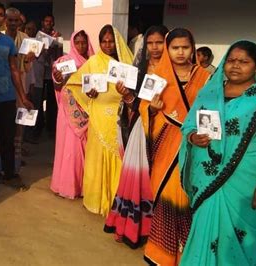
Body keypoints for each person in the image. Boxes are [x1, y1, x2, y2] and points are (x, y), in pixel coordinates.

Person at [179, 40, 256, 265]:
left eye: (244, 62)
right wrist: (192, 137)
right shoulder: (210, 92)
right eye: (231, 60)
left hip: (244, 185)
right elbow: (189, 124)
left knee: (240, 239)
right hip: (205, 182)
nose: (235, 66)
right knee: (203, 232)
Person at [142, 28, 210, 265]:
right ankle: (162, 252)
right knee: (167, 198)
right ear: (167, 50)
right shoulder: (155, 77)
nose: (181, 53)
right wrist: (151, 109)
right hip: (165, 149)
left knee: (189, 200)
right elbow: (143, 111)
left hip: (195, 151)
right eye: (175, 48)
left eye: (186, 47)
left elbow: (212, 114)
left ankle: (187, 254)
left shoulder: (205, 77)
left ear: (193, 48)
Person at [104, 25, 169, 249]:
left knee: (161, 180)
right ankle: (136, 228)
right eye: (150, 43)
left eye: (159, 42)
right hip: (141, 131)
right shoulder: (139, 70)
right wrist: (127, 95)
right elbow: (135, 106)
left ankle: (160, 230)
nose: (155, 47)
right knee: (139, 179)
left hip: (168, 132)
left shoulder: (176, 71)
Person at [65, 25, 133, 215]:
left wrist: (126, 95)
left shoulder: (126, 62)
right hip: (98, 115)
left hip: (119, 118)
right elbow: (74, 85)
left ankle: (115, 201)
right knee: (97, 158)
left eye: (111, 41)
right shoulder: (94, 61)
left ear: (118, 41)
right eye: (104, 41)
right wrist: (89, 94)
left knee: (119, 157)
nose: (108, 44)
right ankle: (96, 200)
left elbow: (134, 91)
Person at [0, 2, 33, 189]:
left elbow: (14, 70)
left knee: (8, 138)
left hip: (7, 97)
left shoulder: (8, 42)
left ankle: (10, 174)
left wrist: (23, 96)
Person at [50, 30, 95, 199]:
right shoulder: (63, 62)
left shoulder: (93, 63)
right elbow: (57, 87)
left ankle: (84, 186)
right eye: (78, 43)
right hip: (68, 112)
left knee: (84, 148)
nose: (81, 46)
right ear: (73, 44)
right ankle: (67, 185)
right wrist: (58, 78)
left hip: (86, 111)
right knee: (69, 147)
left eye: (84, 42)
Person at [41, 14, 63, 137]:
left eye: (50, 21)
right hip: (39, 74)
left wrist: (56, 41)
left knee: (51, 101)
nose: (48, 23)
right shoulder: (39, 37)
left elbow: (59, 54)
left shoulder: (57, 36)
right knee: (37, 101)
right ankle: (38, 127)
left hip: (51, 74)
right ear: (43, 22)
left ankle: (51, 127)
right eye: (46, 21)